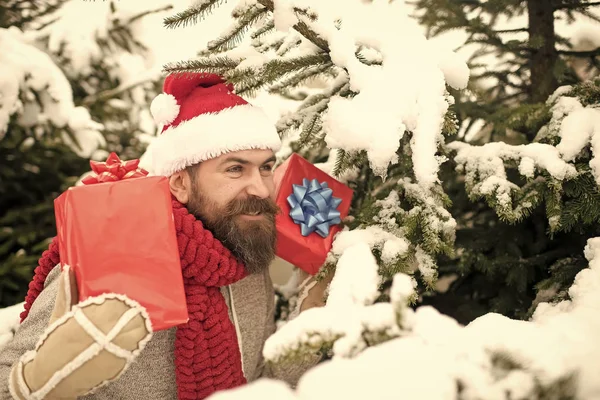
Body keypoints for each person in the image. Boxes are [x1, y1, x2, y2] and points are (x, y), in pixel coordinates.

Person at [0, 73, 328, 400]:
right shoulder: (113, 257)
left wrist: (313, 311)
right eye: (235, 169)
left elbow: (258, 389)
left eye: (266, 167)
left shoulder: (248, 261)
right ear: (181, 184)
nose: (260, 188)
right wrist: (33, 383)